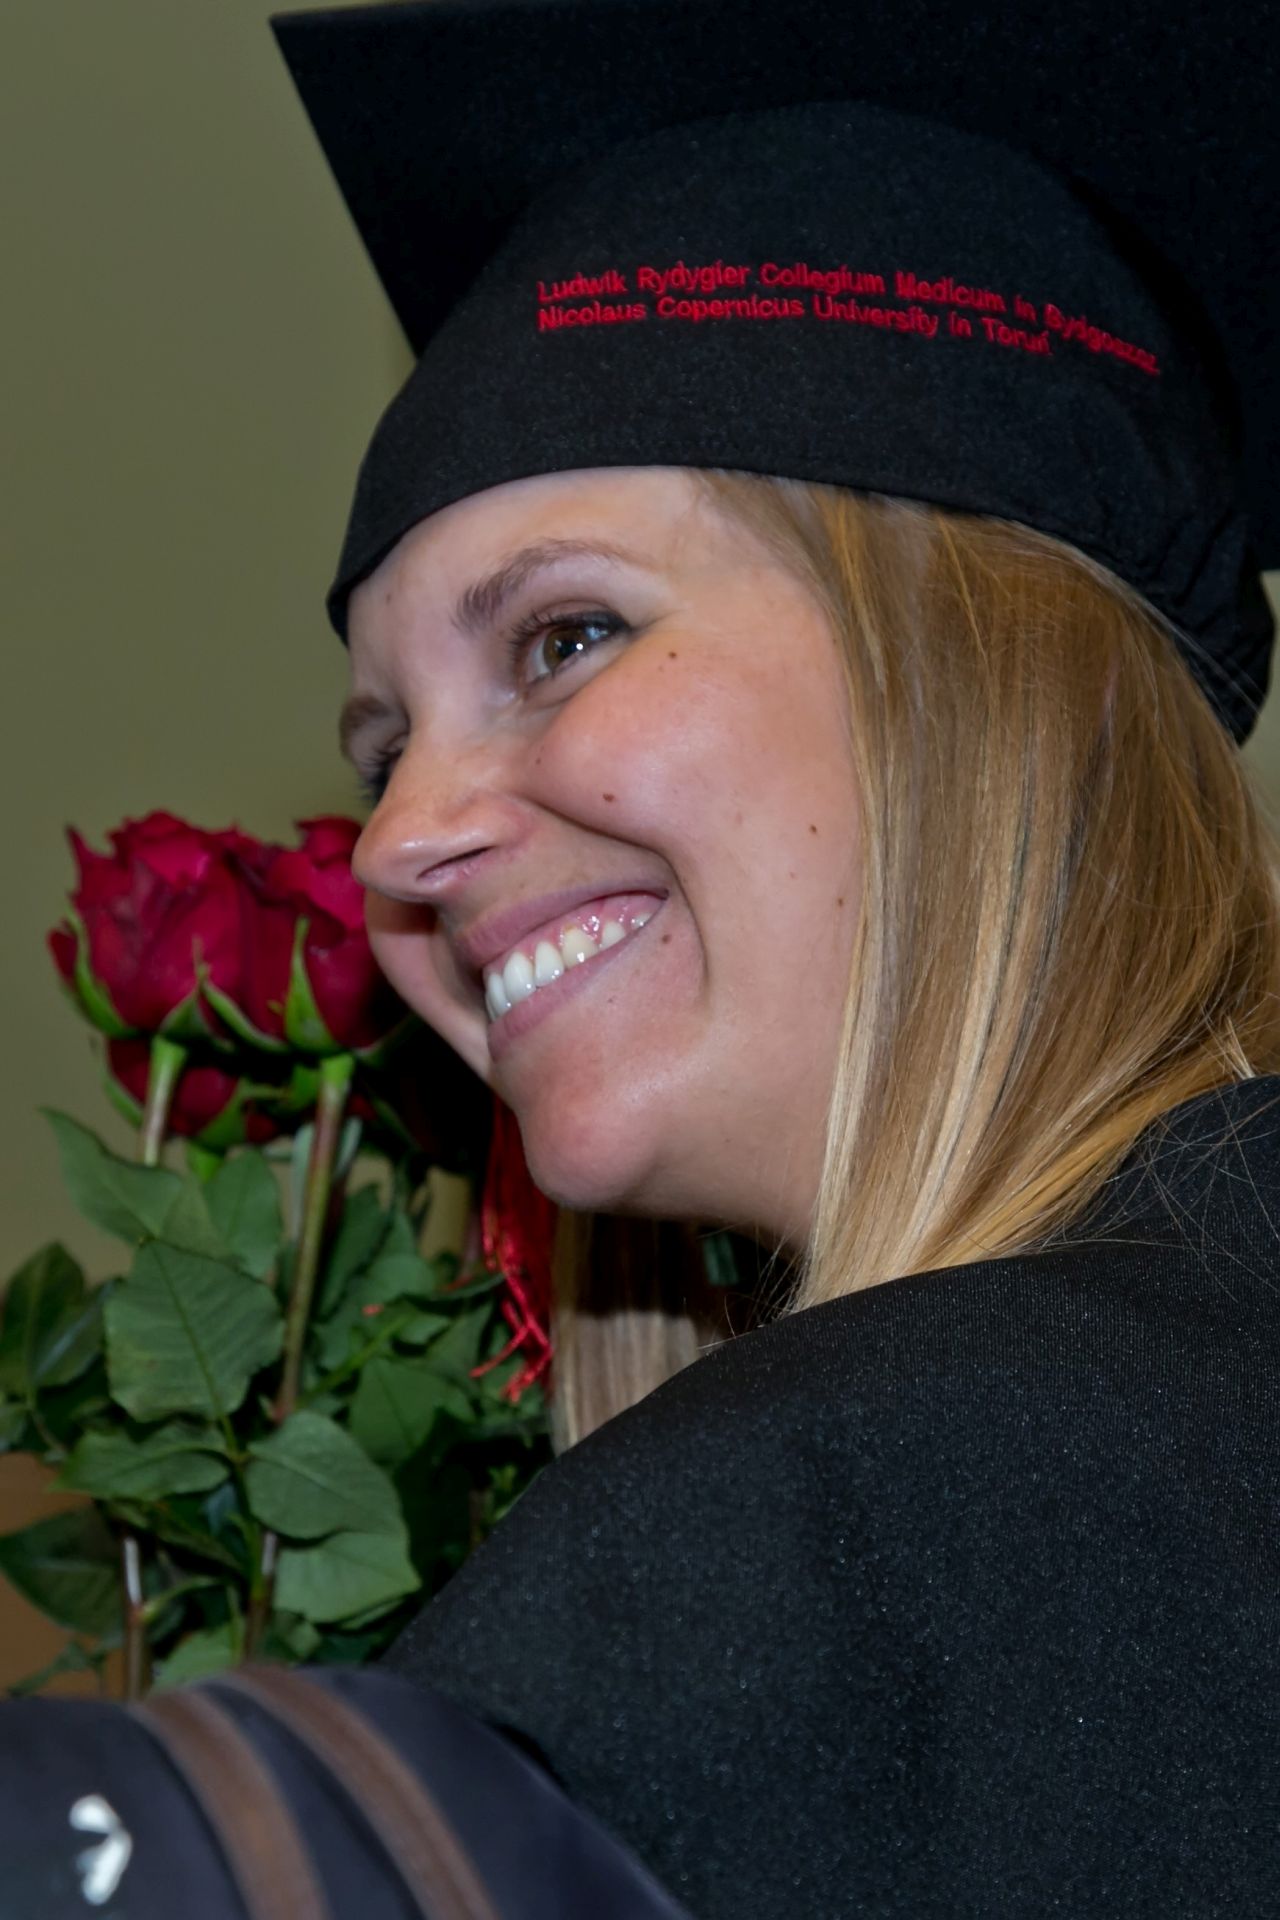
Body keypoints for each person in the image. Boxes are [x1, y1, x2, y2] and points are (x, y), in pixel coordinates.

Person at [4, 0, 1279, 1913]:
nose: (394, 840)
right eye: (380, 748)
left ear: (998, 681)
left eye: (565, 639)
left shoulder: (915, 1485)